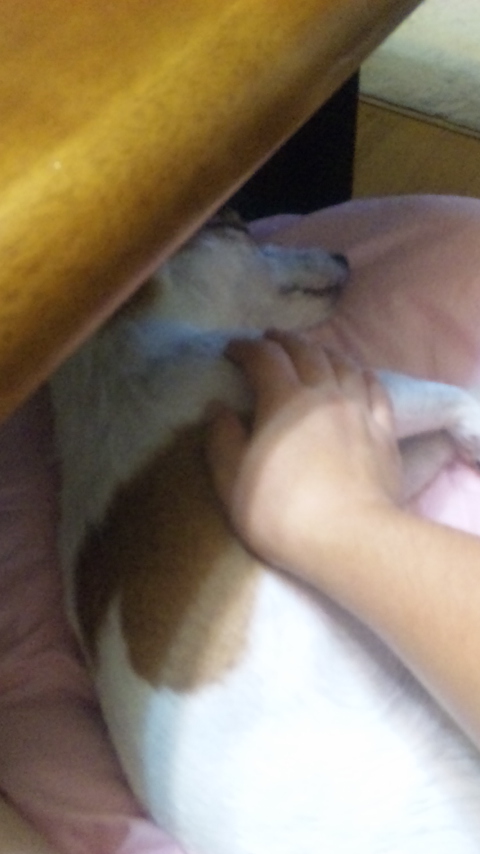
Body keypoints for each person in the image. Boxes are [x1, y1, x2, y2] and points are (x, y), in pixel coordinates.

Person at [2, 194, 480, 852]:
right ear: (167, 265)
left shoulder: (99, 454)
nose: (287, 256)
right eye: (245, 239)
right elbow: (376, 425)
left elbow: (356, 452)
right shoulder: (193, 381)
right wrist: (448, 421)